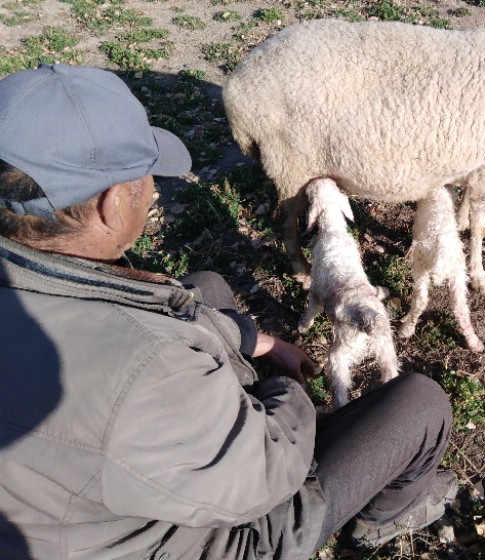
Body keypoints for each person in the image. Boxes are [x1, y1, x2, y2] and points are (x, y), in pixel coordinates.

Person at [0, 63, 456, 560]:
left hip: (80, 505)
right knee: (421, 404)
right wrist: (287, 393)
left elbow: (144, 333)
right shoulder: (148, 370)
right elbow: (268, 471)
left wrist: (259, 342)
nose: (152, 189)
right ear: (113, 205)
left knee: (206, 288)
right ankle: (383, 516)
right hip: (202, 537)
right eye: (146, 175)